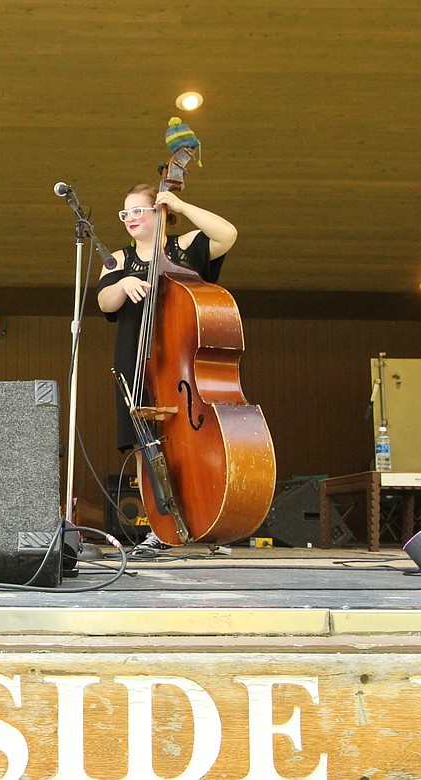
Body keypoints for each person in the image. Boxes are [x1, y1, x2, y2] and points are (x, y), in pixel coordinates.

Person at [96, 184, 238, 555]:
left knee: (200, 445)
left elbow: (227, 234)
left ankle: (210, 522)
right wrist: (123, 283)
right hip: (139, 364)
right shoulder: (119, 259)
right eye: (125, 213)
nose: (130, 219)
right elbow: (104, 302)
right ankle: (160, 528)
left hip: (186, 369)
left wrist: (181, 204)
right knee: (147, 447)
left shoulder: (186, 248)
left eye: (138, 211)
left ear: (159, 211)